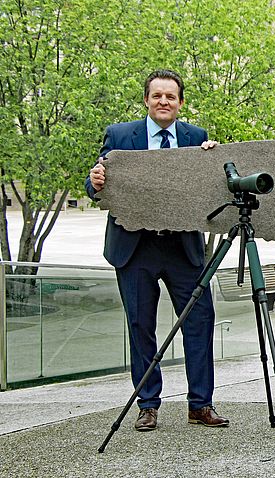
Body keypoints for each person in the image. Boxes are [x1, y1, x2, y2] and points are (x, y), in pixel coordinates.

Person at [85, 69, 229, 432]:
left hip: (183, 249)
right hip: (135, 249)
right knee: (140, 326)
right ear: (147, 100)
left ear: (180, 103)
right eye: (157, 96)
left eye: (171, 96)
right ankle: (147, 404)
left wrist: (211, 159)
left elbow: (211, 185)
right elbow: (99, 180)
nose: (163, 101)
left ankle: (201, 404)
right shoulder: (120, 135)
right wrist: (94, 181)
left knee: (199, 322)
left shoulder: (197, 138)